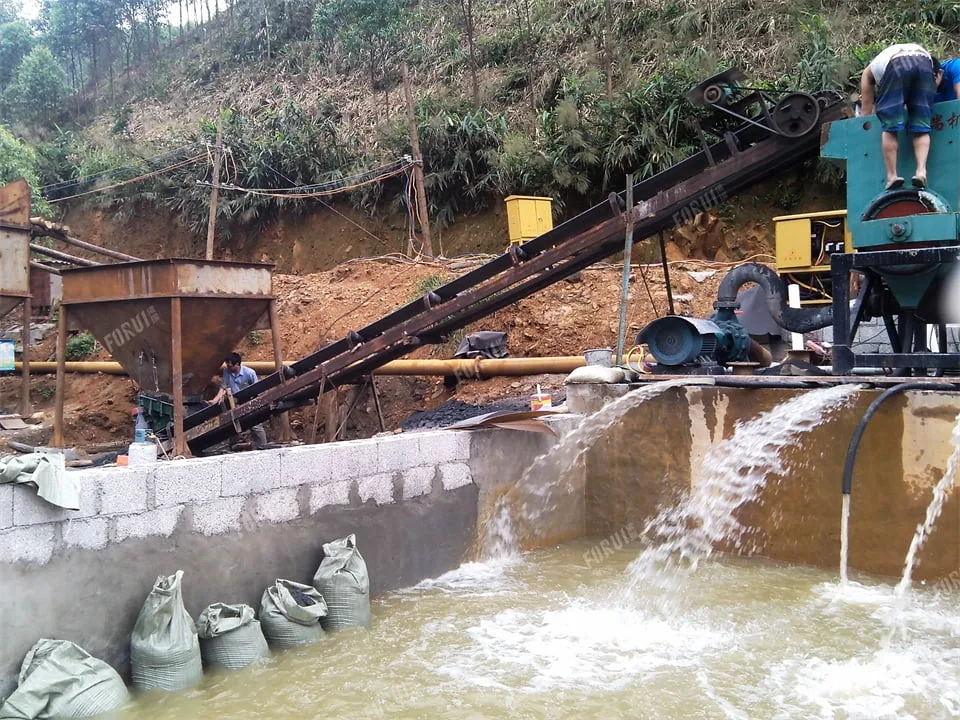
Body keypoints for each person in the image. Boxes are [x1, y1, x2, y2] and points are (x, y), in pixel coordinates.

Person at [859, 43, 937, 190]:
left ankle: (892, 176)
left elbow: (865, 109)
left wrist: (865, 119)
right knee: (921, 124)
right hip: (925, 62)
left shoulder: (868, 73)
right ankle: (921, 172)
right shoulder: (882, 60)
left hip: (898, 63)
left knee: (890, 125)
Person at [210, 351, 267, 450]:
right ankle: (233, 447)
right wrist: (215, 400)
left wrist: (255, 404)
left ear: (237, 364)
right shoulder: (227, 372)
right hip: (235, 403)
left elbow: (257, 390)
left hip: (250, 401)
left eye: (230, 366)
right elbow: (223, 387)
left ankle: (263, 445)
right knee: (232, 424)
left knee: (255, 425)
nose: (228, 367)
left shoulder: (250, 373)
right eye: (227, 365)